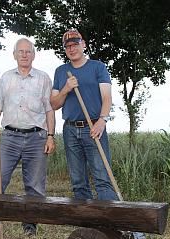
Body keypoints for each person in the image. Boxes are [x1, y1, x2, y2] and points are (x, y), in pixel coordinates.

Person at [0, 38, 56, 239]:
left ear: (33, 55)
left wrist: (50, 136)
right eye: (20, 51)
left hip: (36, 137)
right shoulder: (5, 78)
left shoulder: (43, 78)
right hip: (9, 137)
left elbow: (49, 110)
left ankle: (30, 224)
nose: (24, 55)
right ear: (14, 55)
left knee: (35, 186)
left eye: (28, 51)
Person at [50, 29, 118, 201]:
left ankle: (115, 223)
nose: (72, 49)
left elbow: (107, 98)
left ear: (83, 44)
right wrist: (66, 88)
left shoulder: (98, 67)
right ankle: (88, 225)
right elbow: (54, 104)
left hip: (94, 127)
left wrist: (102, 121)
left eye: (75, 44)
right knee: (78, 181)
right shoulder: (61, 71)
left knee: (103, 179)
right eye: (68, 47)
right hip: (70, 130)